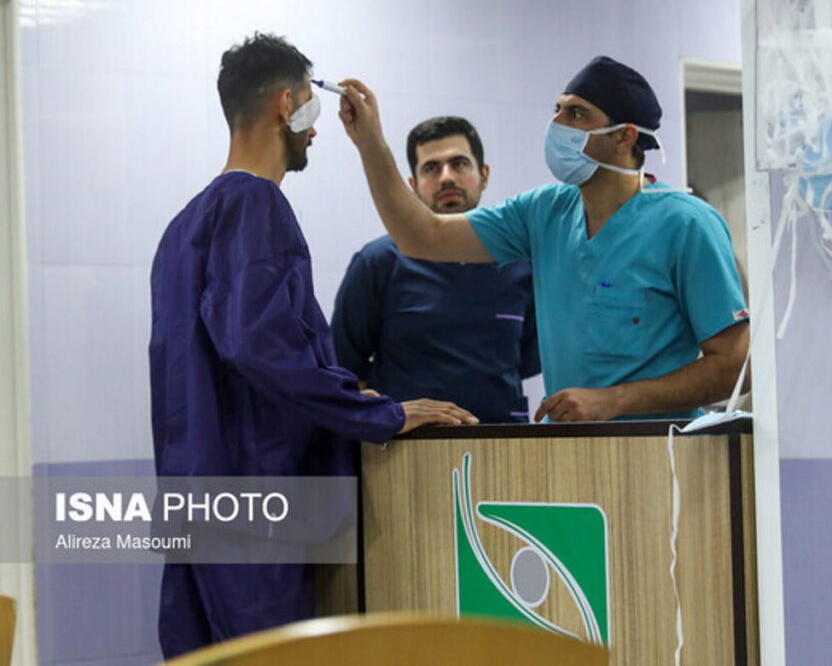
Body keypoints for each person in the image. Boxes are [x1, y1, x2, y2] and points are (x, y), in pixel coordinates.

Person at [148, 33, 477, 659]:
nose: (316, 129)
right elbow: (259, 346)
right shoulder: (256, 205)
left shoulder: (181, 228)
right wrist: (376, 413)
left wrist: (345, 395)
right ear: (286, 105)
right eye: (311, 106)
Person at [337, 55, 749, 422]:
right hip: (560, 452)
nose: (557, 124)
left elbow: (736, 366)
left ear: (624, 137)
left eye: (577, 114)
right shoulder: (544, 213)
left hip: (657, 456)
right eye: (557, 110)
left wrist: (615, 400)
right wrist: (370, 142)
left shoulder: (686, 224)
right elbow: (421, 236)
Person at [331, 116, 540, 423]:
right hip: (406, 445)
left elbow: (529, 359)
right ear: (412, 186)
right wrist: (379, 424)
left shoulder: (522, 265)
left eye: (459, 164)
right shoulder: (379, 262)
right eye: (431, 168)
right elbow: (345, 367)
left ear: (484, 175)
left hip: (502, 441)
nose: (446, 177)